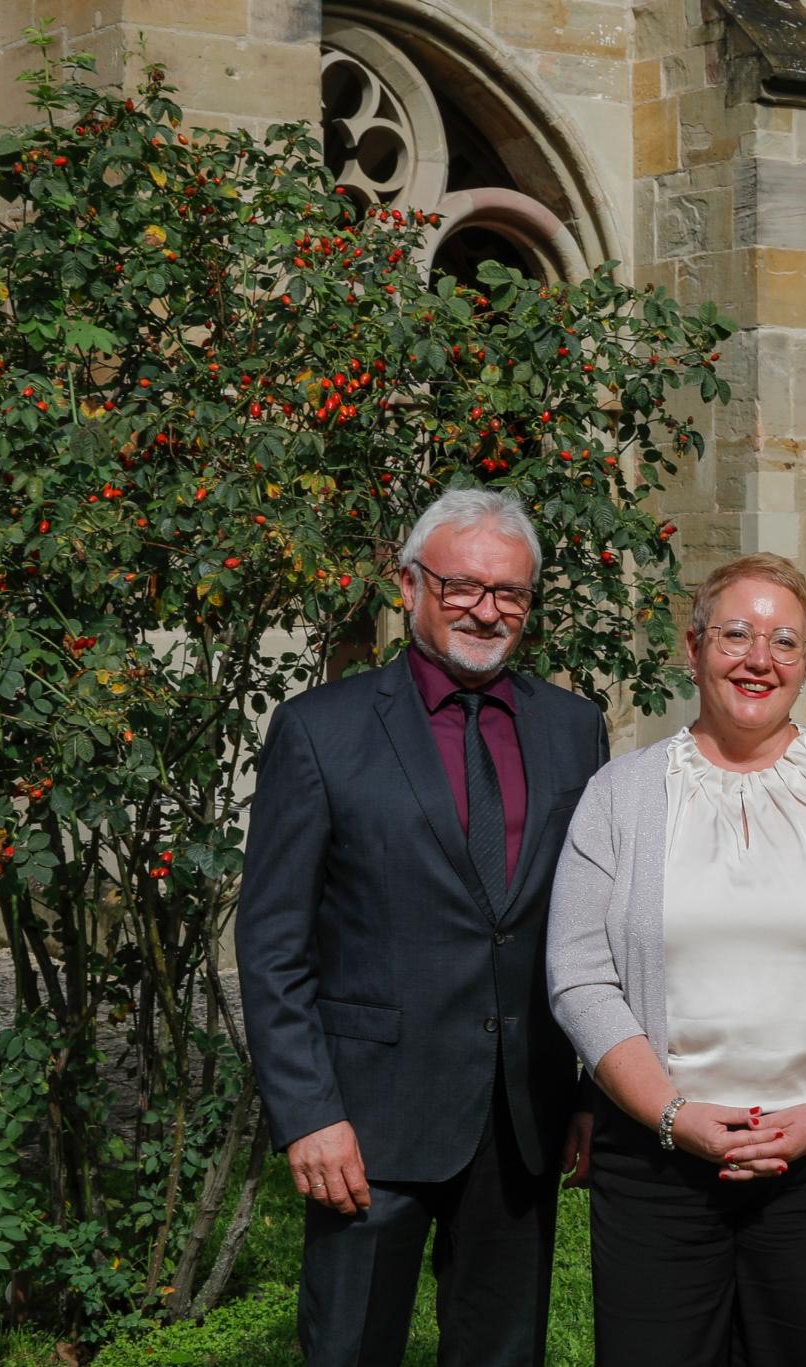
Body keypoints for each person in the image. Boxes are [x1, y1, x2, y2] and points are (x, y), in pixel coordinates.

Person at [237, 488, 610, 1366]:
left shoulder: (573, 729)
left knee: (501, 1350)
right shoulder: (320, 732)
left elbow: (590, 929)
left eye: (509, 592)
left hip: (522, 1117)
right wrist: (308, 1114)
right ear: (409, 586)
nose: (487, 609)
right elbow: (273, 943)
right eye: (462, 586)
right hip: (368, 1125)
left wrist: (590, 1092)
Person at [545, 553, 806, 1367]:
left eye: (785, 641)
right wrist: (673, 1115)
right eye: (736, 635)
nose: (759, 659)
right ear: (693, 646)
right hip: (656, 1160)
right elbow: (579, 974)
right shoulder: (621, 794)